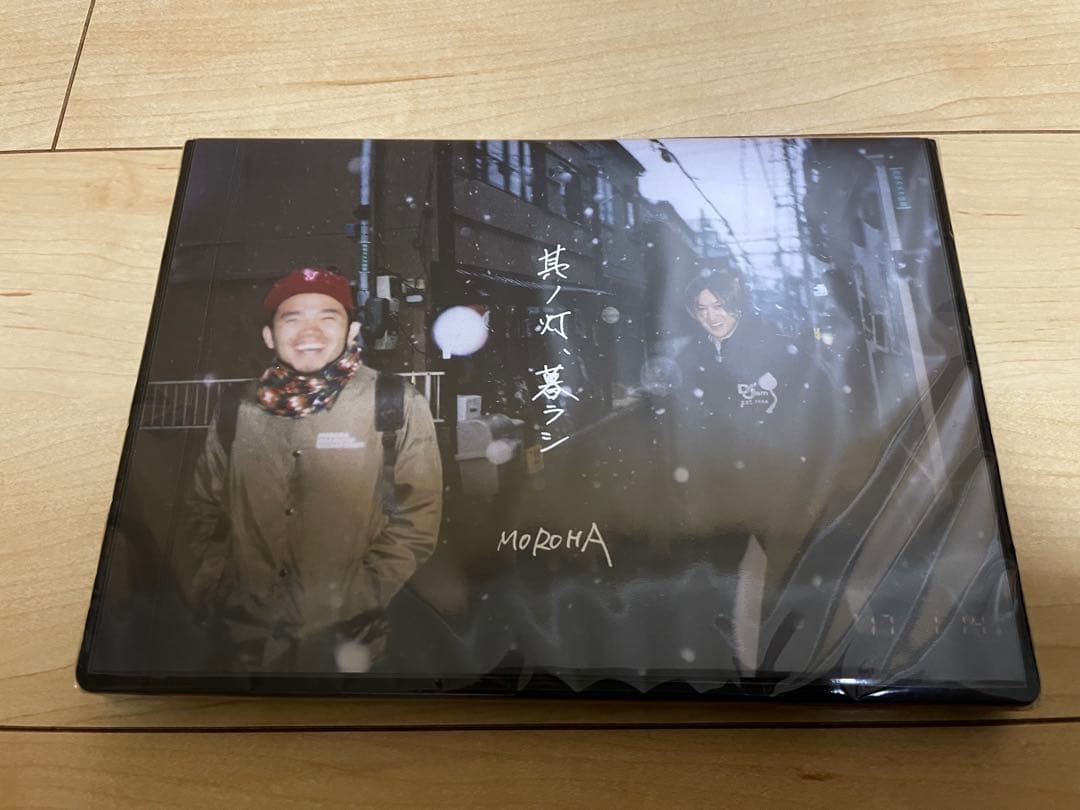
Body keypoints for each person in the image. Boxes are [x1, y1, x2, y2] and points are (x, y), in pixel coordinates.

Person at [175, 267, 443, 672]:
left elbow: (418, 517)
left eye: (327, 317)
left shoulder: (393, 403)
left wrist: (360, 594)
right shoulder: (237, 408)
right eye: (293, 318)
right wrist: (220, 587)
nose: (310, 331)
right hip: (244, 639)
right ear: (269, 336)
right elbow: (203, 507)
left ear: (352, 332)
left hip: (349, 641)